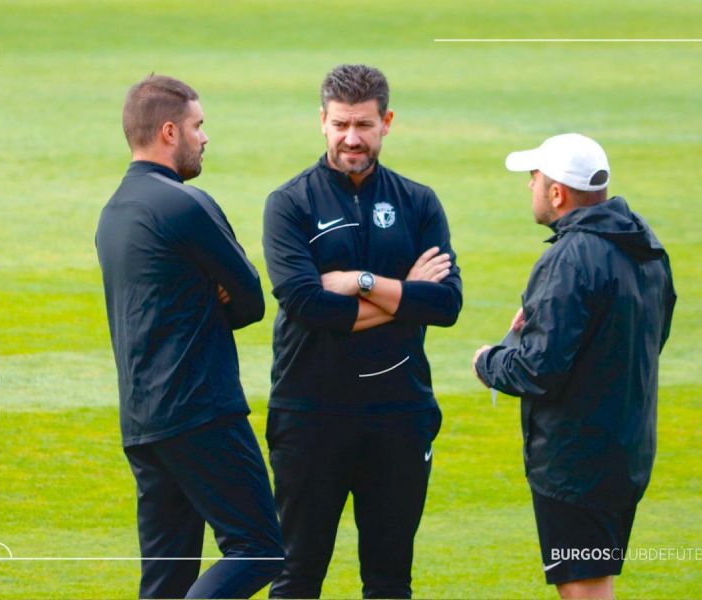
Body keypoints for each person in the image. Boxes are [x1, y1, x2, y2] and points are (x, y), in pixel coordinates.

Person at [262, 64, 462, 599]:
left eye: (365, 125)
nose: (352, 138)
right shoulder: (290, 203)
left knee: (390, 581)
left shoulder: (418, 202)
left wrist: (361, 282)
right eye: (341, 124)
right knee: (296, 577)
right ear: (322, 122)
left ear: (386, 122)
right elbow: (307, 304)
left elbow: (446, 303)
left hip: (399, 414)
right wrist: (405, 294)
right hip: (310, 414)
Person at [95, 74, 283, 599]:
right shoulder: (185, 204)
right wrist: (213, 295)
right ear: (169, 131)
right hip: (201, 410)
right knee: (258, 547)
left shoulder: (112, 214)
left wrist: (204, 294)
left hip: (143, 422)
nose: (205, 137)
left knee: (166, 578)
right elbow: (250, 300)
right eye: (198, 126)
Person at [472, 133, 676, 599]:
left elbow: (538, 369)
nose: (530, 186)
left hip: (576, 463)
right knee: (594, 580)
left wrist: (488, 361)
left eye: (534, 177)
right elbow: (646, 336)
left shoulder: (568, 259)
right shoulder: (644, 243)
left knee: (582, 587)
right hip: (625, 448)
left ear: (557, 193)